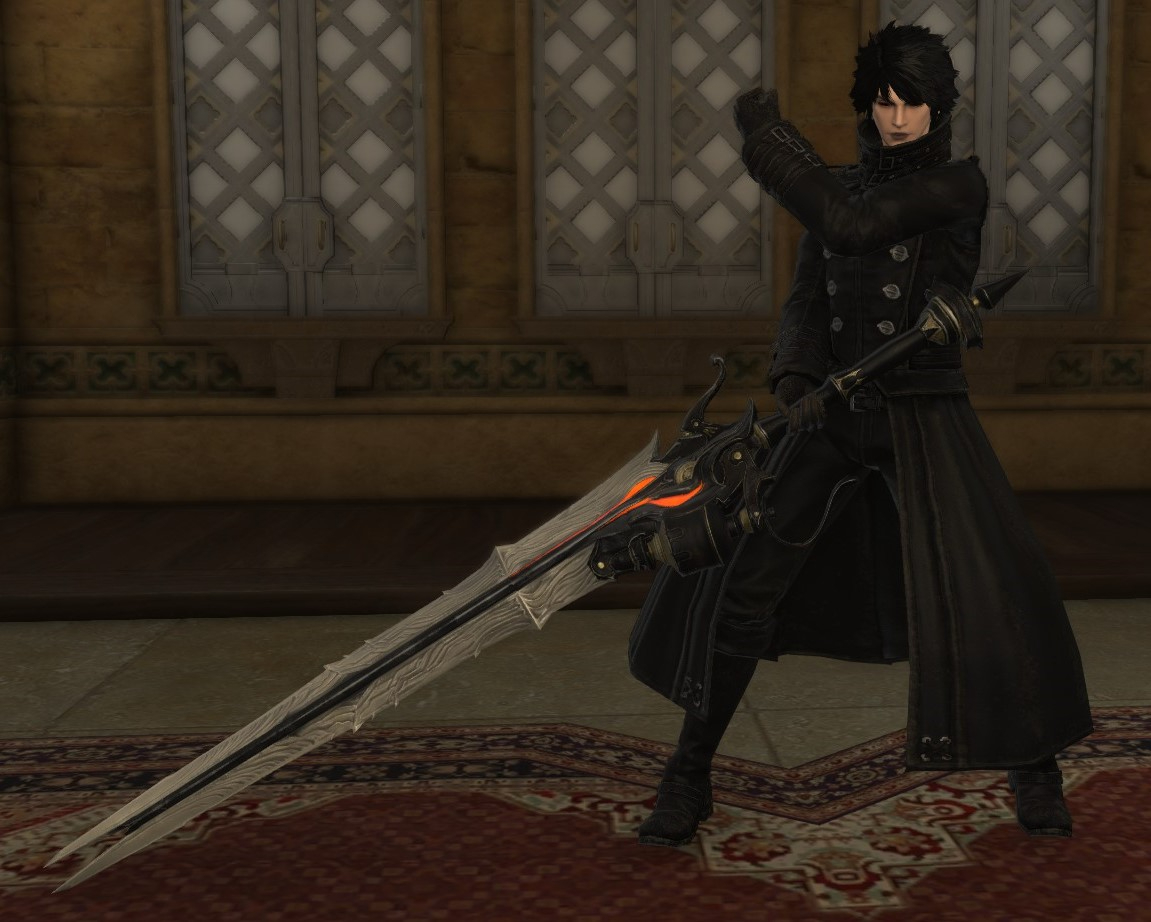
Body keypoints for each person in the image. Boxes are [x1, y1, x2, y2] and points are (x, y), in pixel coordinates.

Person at [628, 21, 1094, 847]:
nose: (895, 118)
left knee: (990, 594)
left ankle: (1034, 764)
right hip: (833, 418)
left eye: (911, 102)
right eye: (881, 102)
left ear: (938, 108)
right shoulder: (836, 188)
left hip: (923, 414)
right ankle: (688, 773)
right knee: (742, 585)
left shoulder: (956, 186)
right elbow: (809, 298)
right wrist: (795, 381)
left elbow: (850, 225)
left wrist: (769, 141)